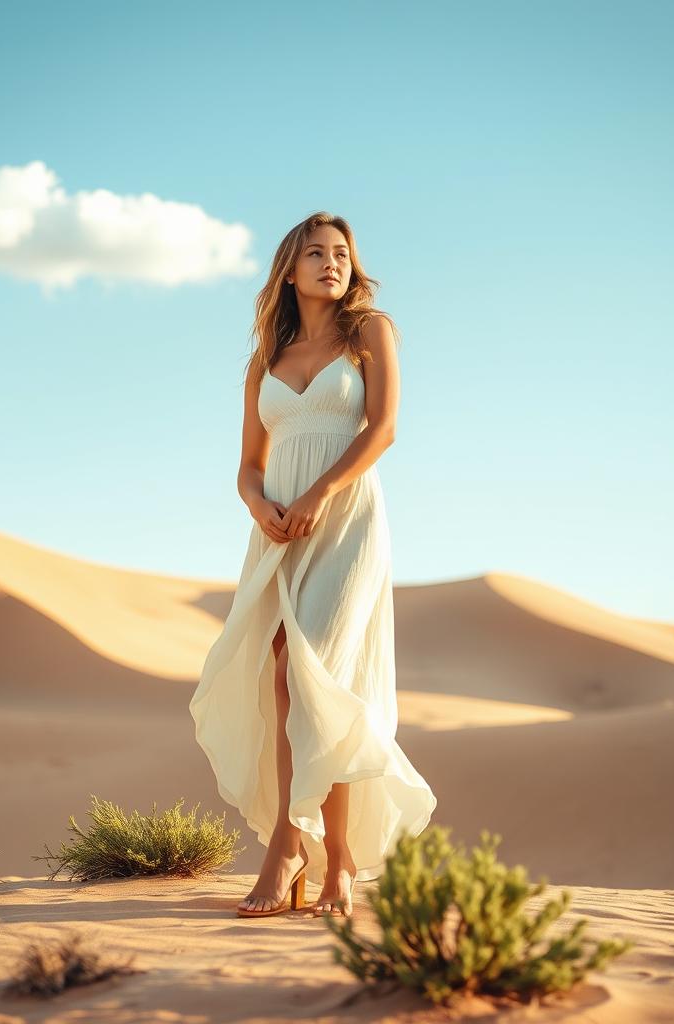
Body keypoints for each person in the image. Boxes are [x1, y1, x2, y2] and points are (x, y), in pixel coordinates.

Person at [189, 212, 436, 920]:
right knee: (286, 676)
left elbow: (384, 428)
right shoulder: (265, 360)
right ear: (288, 271)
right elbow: (246, 465)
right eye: (316, 253)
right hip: (277, 530)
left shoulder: (370, 332)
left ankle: (295, 849)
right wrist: (257, 506)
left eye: (341, 253)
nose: (332, 263)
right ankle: (331, 861)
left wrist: (321, 492)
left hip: (347, 516)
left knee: (323, 672)